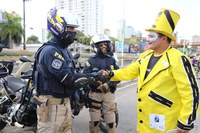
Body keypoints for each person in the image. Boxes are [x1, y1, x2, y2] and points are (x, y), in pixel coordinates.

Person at [98, 8, 199, 133]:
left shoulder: (179, 59)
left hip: (168, 125)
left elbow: (191, 93)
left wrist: (186, 122)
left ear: (164, 38)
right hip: (145, 123)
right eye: (148, 36)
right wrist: (111, 74)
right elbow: (130, 71)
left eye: (152, 36)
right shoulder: (145, 56)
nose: (147, 39)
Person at [33, 8, 92, 133]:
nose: (73, 32)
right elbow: (69, 79)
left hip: (64, 104)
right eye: (70, 28)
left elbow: (73, 73)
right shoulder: (50, 51)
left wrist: (75, 97)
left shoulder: (64, 50)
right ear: (58, 27)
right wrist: (93, 76)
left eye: (74, 28)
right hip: (51, 107)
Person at [83, 34, 120, 133]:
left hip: (109, 94)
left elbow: (119, 75)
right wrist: (97, 84)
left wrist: (108, 85)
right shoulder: (90, 61)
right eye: (100, 45)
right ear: (95, 47)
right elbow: (85, 76)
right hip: (95, 94)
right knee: (95, 121)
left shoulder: (112, 60)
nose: (104, 47)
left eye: (105, 44)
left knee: (111, 122)